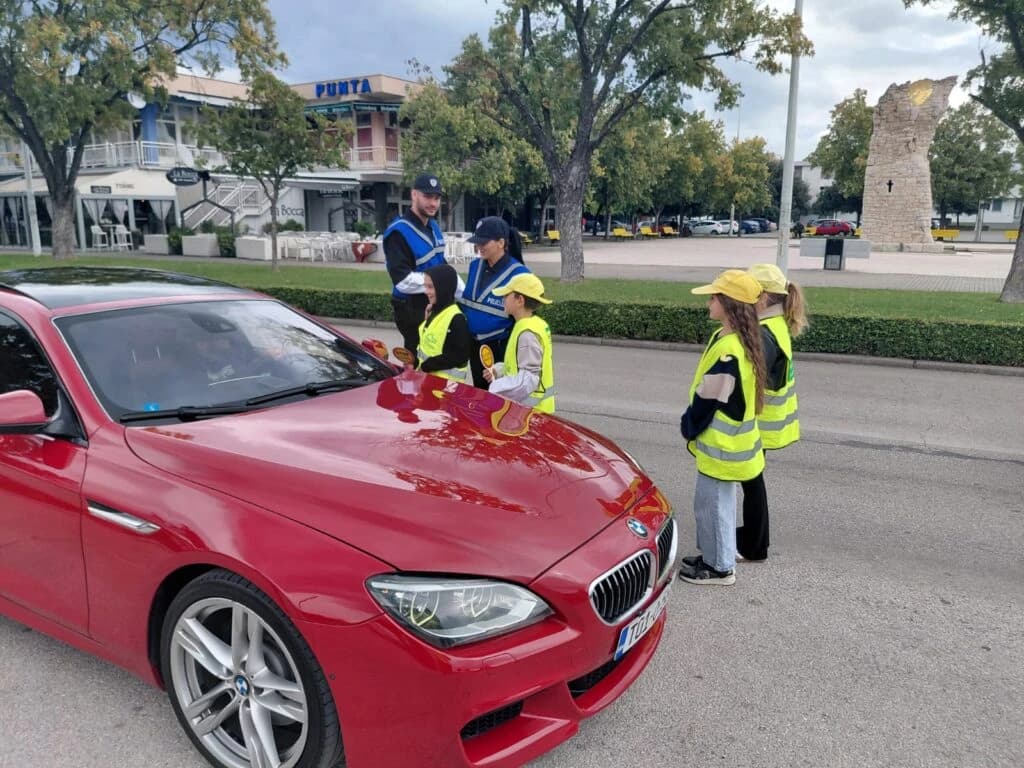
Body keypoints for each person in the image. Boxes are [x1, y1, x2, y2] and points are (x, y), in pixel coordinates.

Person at [678, 270, 767, 586]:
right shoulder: (732, 339)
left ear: (728, 304)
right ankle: (717, 556)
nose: (709, 302)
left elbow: (710, 396)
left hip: (721, 448)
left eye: (714, 297)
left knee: (712, 508)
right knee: (717, 506)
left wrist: (689, 424)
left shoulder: (729, 349)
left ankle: (719, 568)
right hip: (728, 449)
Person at [735, 263, 809, 562]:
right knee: (752, 483)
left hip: (759, 423)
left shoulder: (765, 333)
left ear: (762, 297)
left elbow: (750, 378)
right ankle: (753, 539)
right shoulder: (774, 324)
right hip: (766, 422)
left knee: (751, 484)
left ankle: (754, 545)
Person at [458, 216, 530, 388]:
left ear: (501, 243)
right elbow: (469, 300)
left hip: (500, 346)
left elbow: (525, 317)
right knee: (480, 391)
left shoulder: (520, 274)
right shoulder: (475, 266)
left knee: (500, 395)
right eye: (477, 242)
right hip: (475, 344)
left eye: (484, 242)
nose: (479, 247)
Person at [383, 172, 449, 354]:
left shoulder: (433, 226)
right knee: (419, 359)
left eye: (437, 198)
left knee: (435, 357)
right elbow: (402, 280)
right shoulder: (398, 232)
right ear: (414, 195)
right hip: (411, 307)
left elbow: (440, 261)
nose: (433, 203)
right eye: (427, 196)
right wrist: (441, 284)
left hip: (431, 302)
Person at [483, 273, 556, 413]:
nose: (503, 298)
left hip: (530, 413)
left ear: (519, 300)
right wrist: (499, 370)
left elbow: (529, 379)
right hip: (531, 411)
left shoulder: (527, 333)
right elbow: (519, 364)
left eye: (506, 295)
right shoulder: (534, 324)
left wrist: (495, 389)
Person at [416, 263, 472, 382]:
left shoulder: (457, 318)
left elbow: (459, 356)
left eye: (430, 287)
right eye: (425, 286)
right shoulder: (434, 311)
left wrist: (426, 366)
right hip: (429, 380)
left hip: (446, 387)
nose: (426, 291)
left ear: (443, 287)